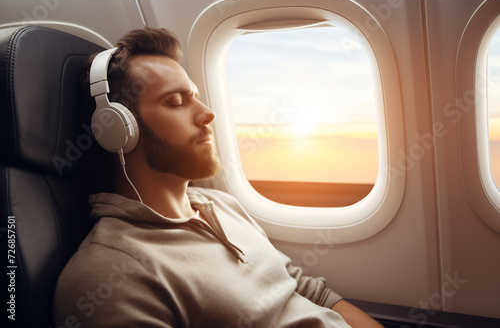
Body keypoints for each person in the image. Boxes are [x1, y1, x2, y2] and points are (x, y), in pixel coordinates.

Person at [52, 27, 383, 328]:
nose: (207, 113)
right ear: (118, 129)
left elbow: (310, 292)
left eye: (194, 95)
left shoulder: (221, 205)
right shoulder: (109, 276)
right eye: (176, 102)